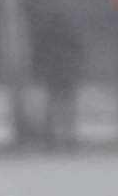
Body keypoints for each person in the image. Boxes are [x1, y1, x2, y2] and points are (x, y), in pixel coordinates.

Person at [31, 12, 83, 147]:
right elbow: (78, 54)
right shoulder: (70, 36)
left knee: (53, 107)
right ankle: (68, 136)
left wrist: (39, 70)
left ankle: (53, 137)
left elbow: (39, 55)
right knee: (67, 107)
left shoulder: (47, 36)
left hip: (53, 75)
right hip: (67, 75)